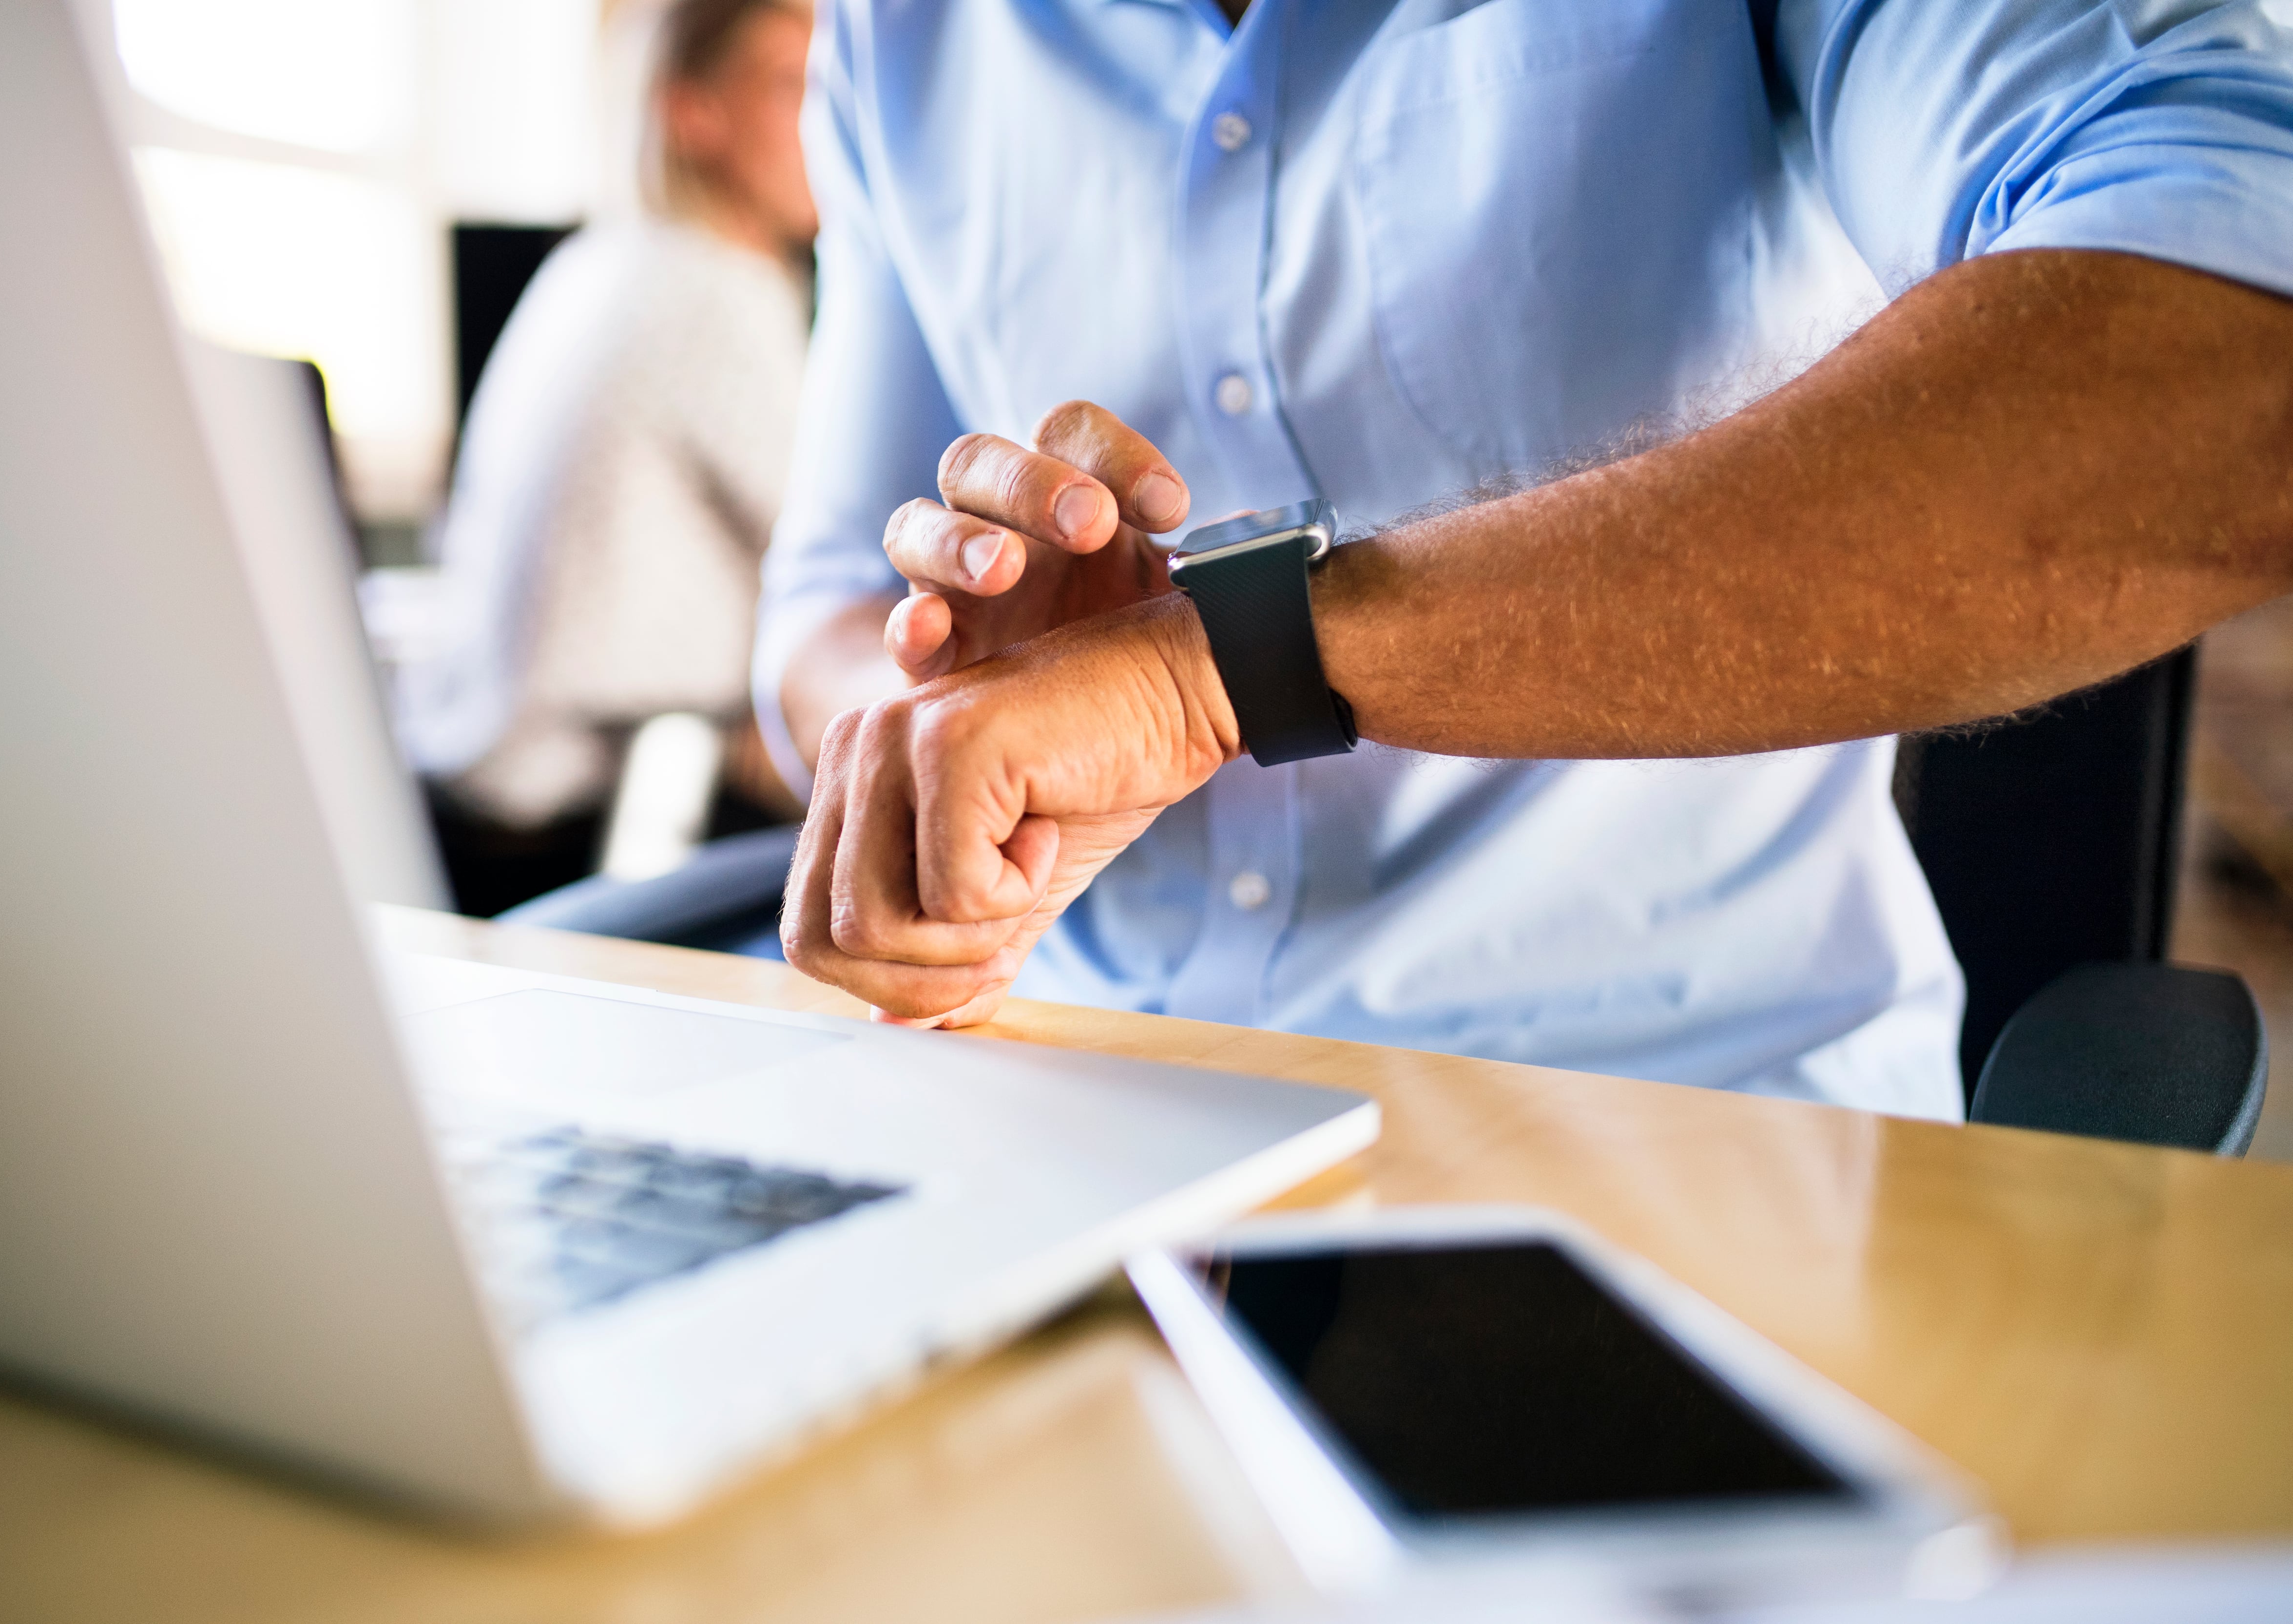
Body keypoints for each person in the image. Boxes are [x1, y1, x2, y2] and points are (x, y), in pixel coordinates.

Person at [756, 0, 2293, 1118]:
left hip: (1668, 1125)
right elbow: (817, 623)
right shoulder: (902, 35)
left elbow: (2242, 361)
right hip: (1066, 1104)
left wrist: (1224, 666)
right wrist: (949, 710)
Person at [396, 0, 815, 845]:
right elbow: (853, 551)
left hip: (475, 785)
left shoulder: (600, 262)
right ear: (692, 110)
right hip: (594, 815)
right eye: (792, 85)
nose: (832, 124)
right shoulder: (716, 289)